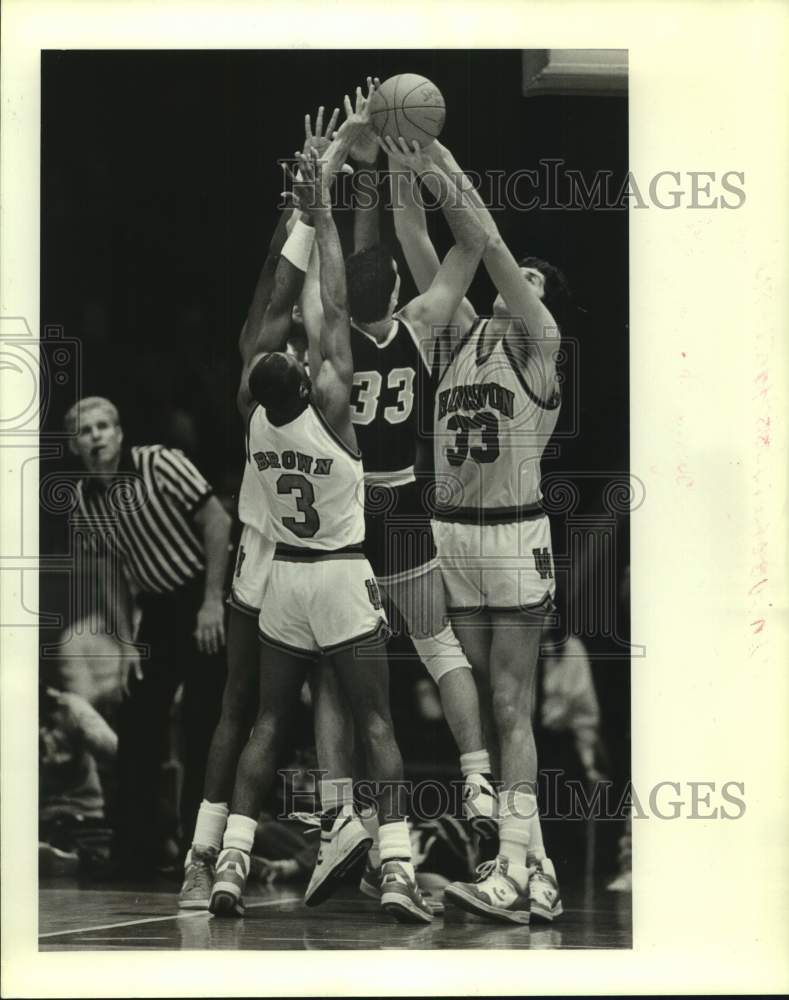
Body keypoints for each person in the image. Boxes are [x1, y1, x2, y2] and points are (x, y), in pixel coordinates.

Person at [208, 137, 433, 924]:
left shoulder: (251, 418)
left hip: (282, 583)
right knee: (375, 720)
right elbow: (328, 309)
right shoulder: (333, 414)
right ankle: (398, 864)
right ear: (304, 380)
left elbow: (271, 308)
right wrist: (324, 209)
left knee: (268, 721)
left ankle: (230, 859)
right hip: (337, 573)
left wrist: (293, 216)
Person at [299, 86, 498, 884]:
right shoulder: (420, 329)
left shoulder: (334, 339)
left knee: (339, 668)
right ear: (399, 296)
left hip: (353, 513)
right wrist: (428, 164)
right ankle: (478, 777)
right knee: (439, 646)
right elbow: (474, 245)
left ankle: (337, 807)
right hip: (409, 501)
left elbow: (317, 262)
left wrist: (341, 149)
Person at [385, 135, 572, 924]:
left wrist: (437, 156)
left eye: (531, 279)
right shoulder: (459, 334)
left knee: (508, 703)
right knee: (469, 702)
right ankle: (534, 867)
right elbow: (414, 239)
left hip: (512, 535)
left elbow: (486, 243)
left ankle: (515, 862)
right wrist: (399, 162)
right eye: (516, 273)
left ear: (541, 299)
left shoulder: (540, 344)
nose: (514, 277)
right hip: (450, 534)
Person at [66, 395, 232, 877]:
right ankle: (135, 849)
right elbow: (109, 570)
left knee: (203, 723)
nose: (95, 436)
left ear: (119, 433)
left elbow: (218, 522)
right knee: (138, 722)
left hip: (203, 592)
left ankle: (198, 848)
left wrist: (211, 602)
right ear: (75, 445)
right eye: (84, 430)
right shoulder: (81, 499)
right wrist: (126, 639)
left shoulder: (158, 463)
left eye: (103, 426)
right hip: (156, 609)